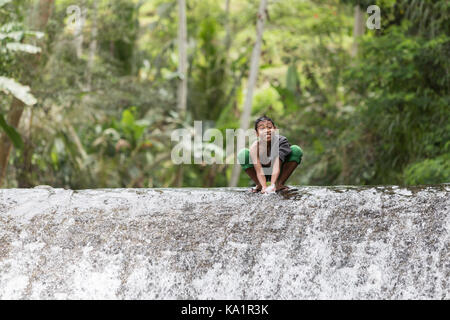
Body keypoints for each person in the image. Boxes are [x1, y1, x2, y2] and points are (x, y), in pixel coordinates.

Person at [237, 115, 303, 193]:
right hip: (262, 172)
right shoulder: (254, 147)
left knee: (296, 150)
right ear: (257, 133)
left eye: (269, 127)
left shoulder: (281, 141)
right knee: (243, 154)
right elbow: (258, 170)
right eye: (262, 128)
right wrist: (264, 187)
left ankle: (279, 184)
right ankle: (260, 185)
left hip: (279, 169)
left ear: (274, 129)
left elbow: (277, 163)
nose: (267, 130)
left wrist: (272, 185)